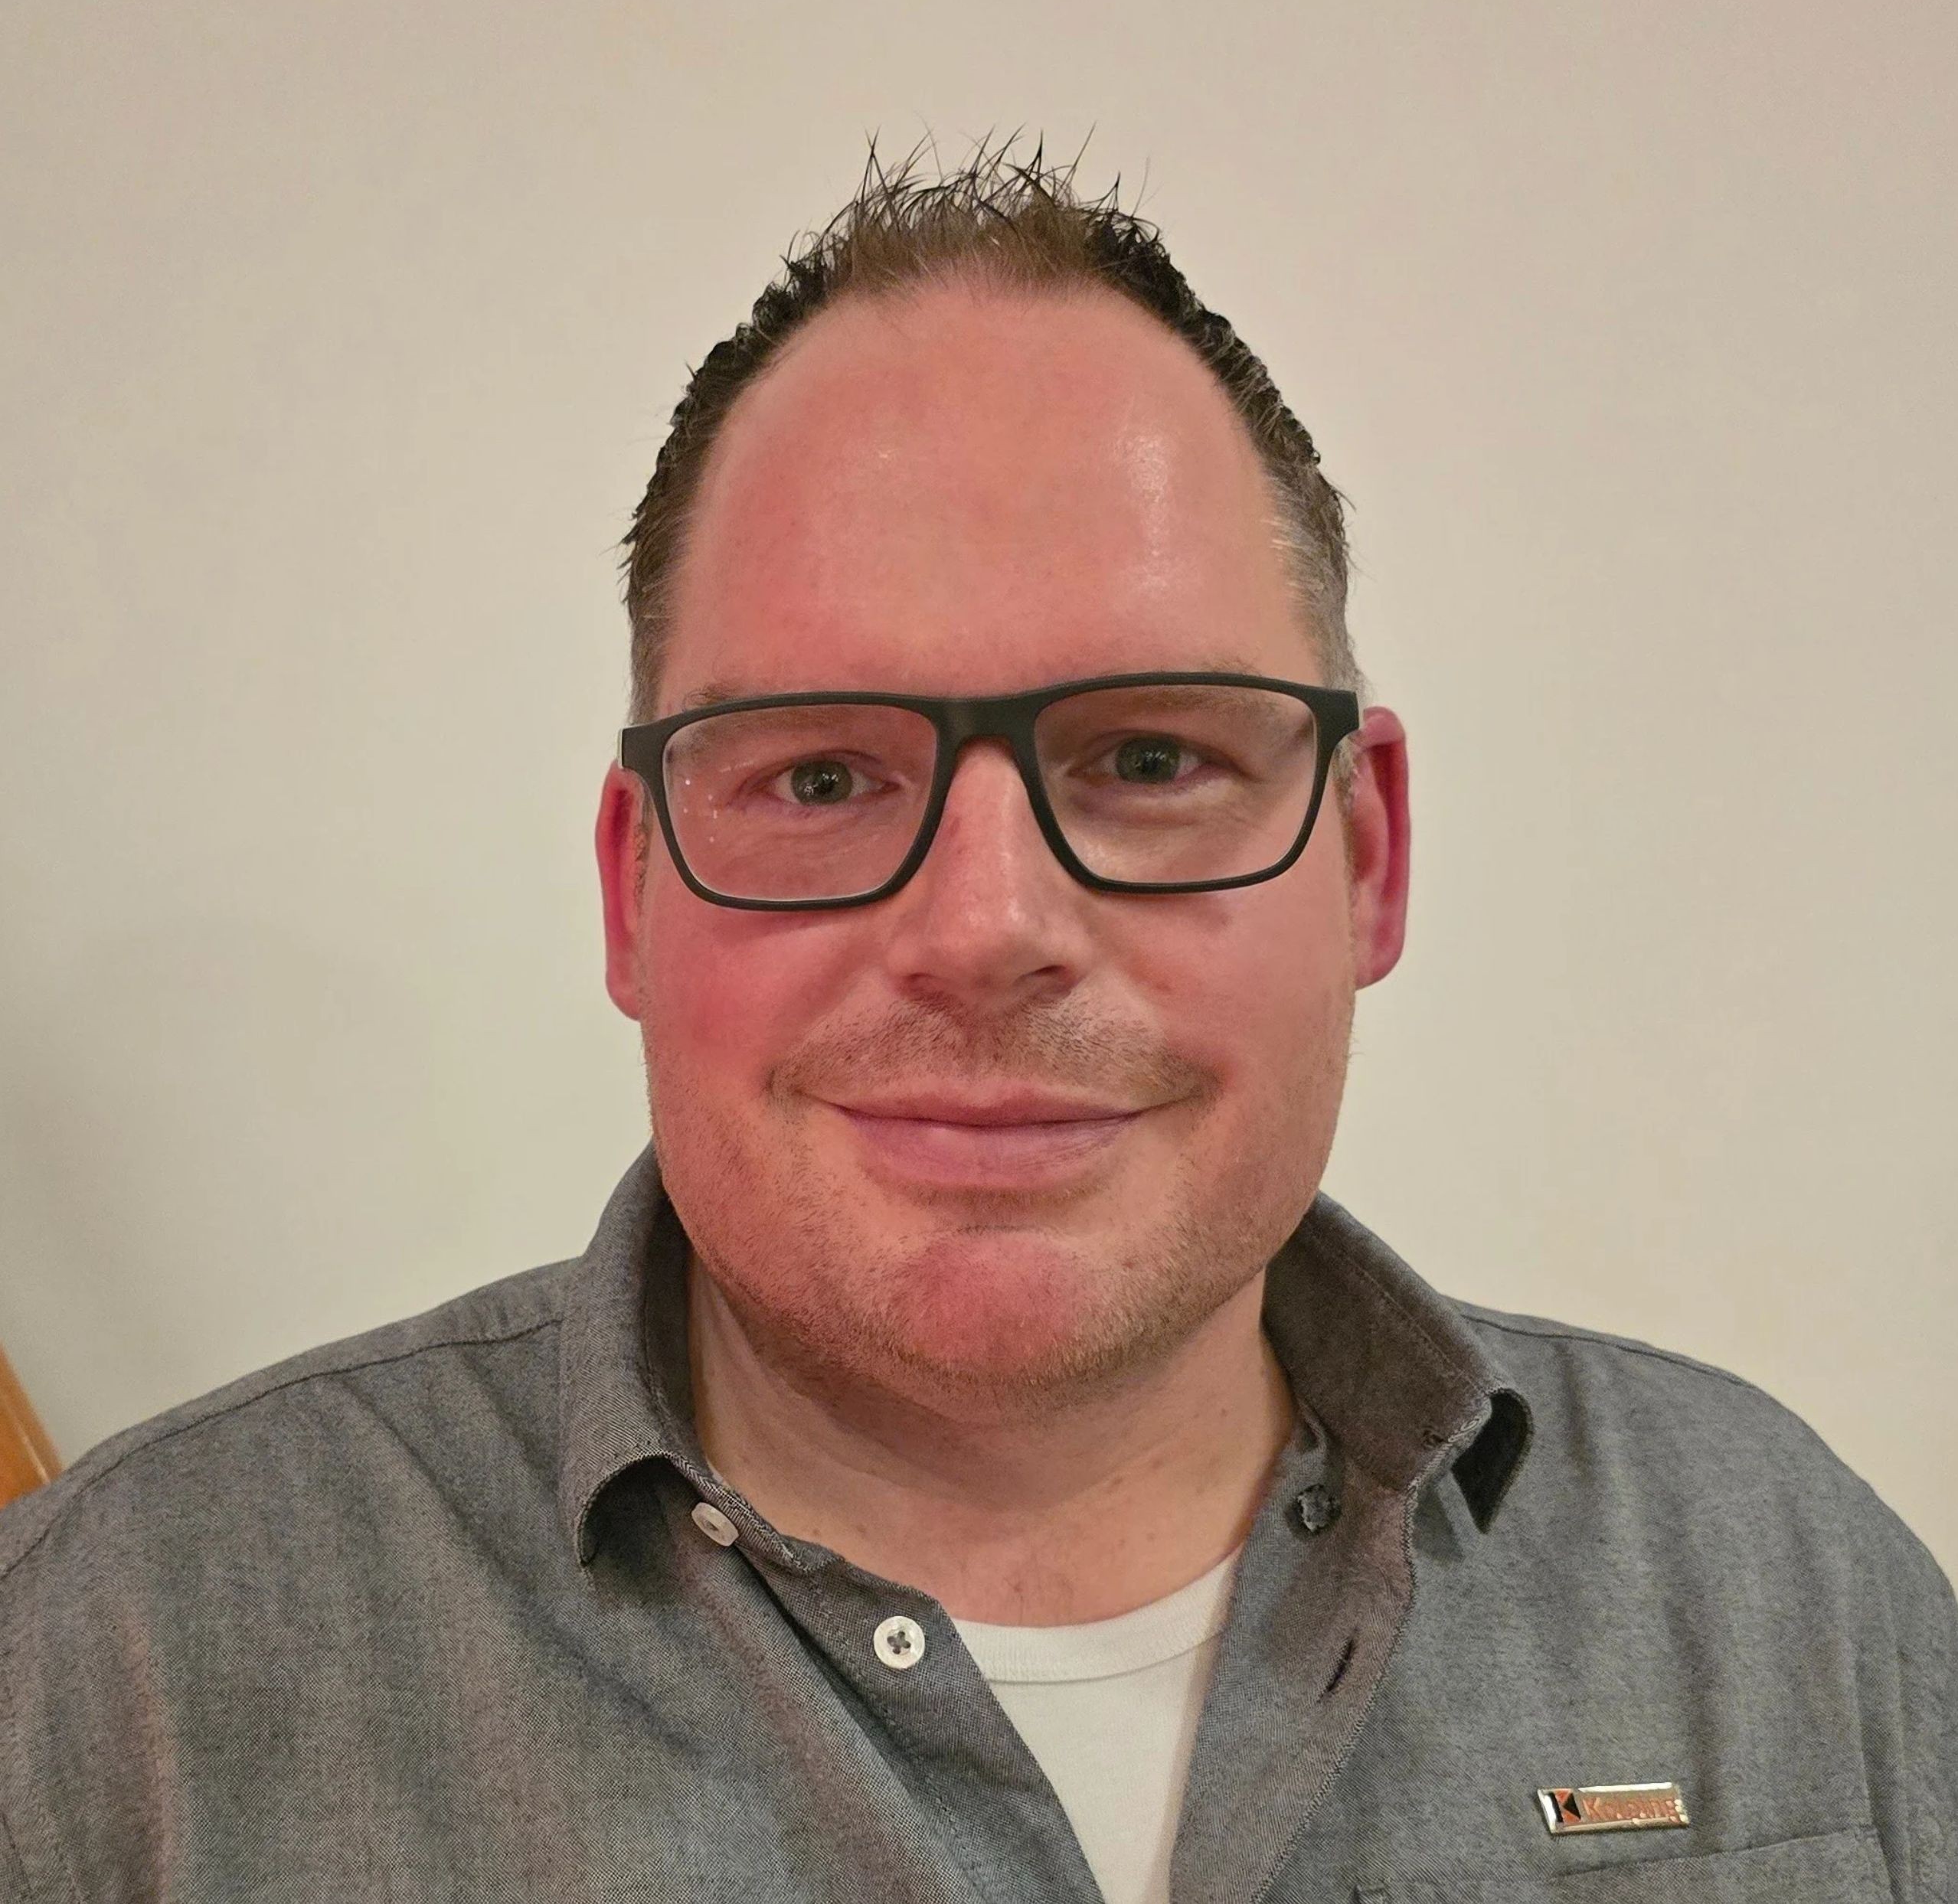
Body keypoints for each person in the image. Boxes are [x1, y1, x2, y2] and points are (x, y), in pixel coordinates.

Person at [1, 142, 1950, 1904]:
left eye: (1152, 758)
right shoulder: (110, 1680)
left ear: (1368, 857)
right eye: (820, 778)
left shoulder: (1779, 1583)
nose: (988, 928)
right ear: (631, 888)